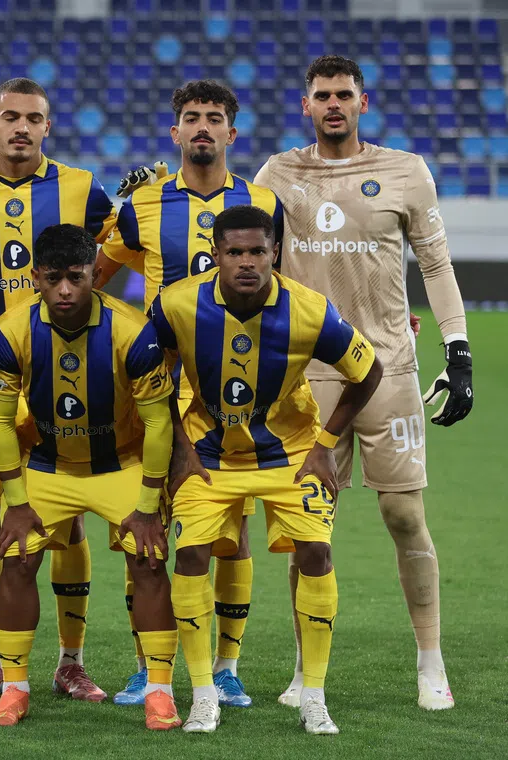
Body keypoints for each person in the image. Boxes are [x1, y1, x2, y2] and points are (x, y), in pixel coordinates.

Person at [254, 55, 472, 712]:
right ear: (306, 106)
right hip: (304, 379)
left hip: (388, 370)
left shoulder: (405, 171)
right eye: (322, 96)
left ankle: (431, 661)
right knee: (308, 528)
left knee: (404, 515)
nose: (333, 105)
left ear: (363, 103)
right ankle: (303, 669)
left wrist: (457, 349)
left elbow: (435, 263)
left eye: (344, 95)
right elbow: (239, 246)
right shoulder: (278, 173)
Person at [0, 78, 132, 701]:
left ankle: (69, 661)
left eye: (34, 118)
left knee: (65, 522)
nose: (21, 127)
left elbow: (124, 241)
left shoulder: (80, 187)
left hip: (64, 370)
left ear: (48, 127)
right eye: (11, 116)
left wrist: (95, 286)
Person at [150, 204, 382, 734]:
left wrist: (325, 444)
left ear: (275, 252)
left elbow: (369, 371)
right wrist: (180, 446)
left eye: (258, 251)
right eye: (235, 252)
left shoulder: (309, 310)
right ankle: (204, 693)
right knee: (189, 556)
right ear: (216, 255)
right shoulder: (178, 305)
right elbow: (150, 375)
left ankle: (314, 695)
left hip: (290, 454)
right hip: (207, 456)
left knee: (317, 553)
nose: (247, 262)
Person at [94, 80, 283, 707]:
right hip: (152, 385)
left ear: (233, 132)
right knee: (144, 521)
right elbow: (93, 276)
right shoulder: (141, 203)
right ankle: (150, 665)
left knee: (232, 524)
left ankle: (226, 666)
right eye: (191, 118)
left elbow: (286, 286)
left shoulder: (262, 200)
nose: (203, 127)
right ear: (174, 133)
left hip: (234, 388)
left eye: (215, 118)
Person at [0, 224, 175, 728]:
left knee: (150, 562)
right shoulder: (9, 330)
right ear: (35, 277)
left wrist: (150, 505)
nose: (65, 290)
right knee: (17, 558)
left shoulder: (132, 331)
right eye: (54, 279)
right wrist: (18, 502)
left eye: (77, 278)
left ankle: (159, 690)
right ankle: (15, 690)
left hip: (122, 463)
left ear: (95, 275)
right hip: (49, 465)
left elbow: (158, 423)